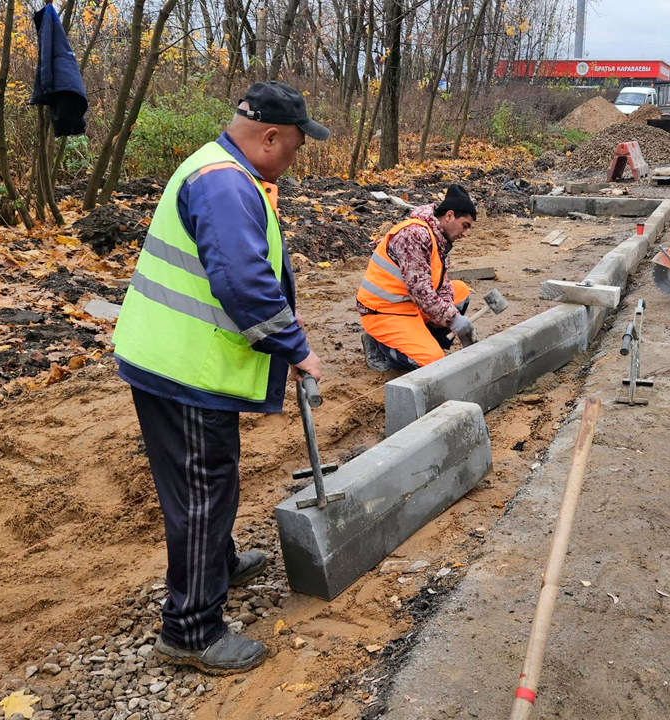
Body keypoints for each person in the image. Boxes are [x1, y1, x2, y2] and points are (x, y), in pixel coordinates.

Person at [111, 81, 328, 674]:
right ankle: (191, 630)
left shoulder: (221, 169)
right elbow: (239, 280)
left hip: (176, 359)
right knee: (203, 489)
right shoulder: (227, 183)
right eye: (295, 147)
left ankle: (219, 561)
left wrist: (282, 309)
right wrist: (295, 348)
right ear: (270, 136)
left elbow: (247, 269)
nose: (296, 158)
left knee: (210, 480)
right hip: (184, 367)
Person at [356, 185, 478, 371]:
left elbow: (443, 285)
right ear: (449, 215)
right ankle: (381, 345)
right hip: (384, 310)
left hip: (409, 304)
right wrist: (453, 319)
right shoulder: (414, 235)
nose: (466, 233)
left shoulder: (440, 238)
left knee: (460, 290)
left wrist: (452, 314)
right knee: (432, 360)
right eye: (465, 226)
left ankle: (418, 339)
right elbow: (420, 291)